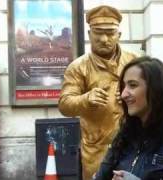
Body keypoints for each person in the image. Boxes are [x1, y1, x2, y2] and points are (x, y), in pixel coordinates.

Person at [58, 5, 137, 180]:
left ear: (119, 35)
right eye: (98, 32)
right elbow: (64, 104)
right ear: (89, 35)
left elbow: (154, 95)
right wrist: (85, 99)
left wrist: (133, 96)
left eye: (110, 33)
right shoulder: (78, 67)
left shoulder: (134, 62)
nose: (103, 38)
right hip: (97, 150)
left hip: (134, 147)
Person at [94, 56, 163, 180]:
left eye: (133, 85)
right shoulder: (124, 137)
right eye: (123, 86)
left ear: (155, 89)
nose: (124, 94)